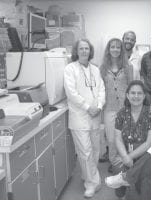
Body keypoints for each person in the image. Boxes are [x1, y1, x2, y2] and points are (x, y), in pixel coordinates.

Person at [64, 38, 105, 198]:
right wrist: (88, 107)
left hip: (95, 116)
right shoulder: (70, 69)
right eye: (81, 48)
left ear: (90, 51)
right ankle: (91, 183)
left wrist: (99, 106)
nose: (84, 51)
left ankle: (88, 175)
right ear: (76, 51)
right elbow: (71, 93)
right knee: (85, 152)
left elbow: (102, 89)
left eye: (86, 48)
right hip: (80, 117)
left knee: (95, 150)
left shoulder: (95, 69)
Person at [112, 80, 151, 199]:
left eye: (139, 93)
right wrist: (124, 156)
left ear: (144, 96)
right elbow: (117, 138)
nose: (136, 96)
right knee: (118, 167)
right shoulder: (122, 113)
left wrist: (130, 157)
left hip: (146, 154)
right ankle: (123, 197)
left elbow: (150, 141)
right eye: (133, 93)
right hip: (125, 151)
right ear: (127, 95)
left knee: (146, 177)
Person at [100, 38, 133, 173]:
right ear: (108, 49)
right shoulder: (102, 68)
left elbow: (132, 86)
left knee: (125, 137)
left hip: (125, 107)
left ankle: (125, 161)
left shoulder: (128, 67)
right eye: (112, 47)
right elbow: (100, 88)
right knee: (112, 138)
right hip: (109, 108)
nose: (115, 49)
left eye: (118, 47)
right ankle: (114, 162)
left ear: (121, 50)